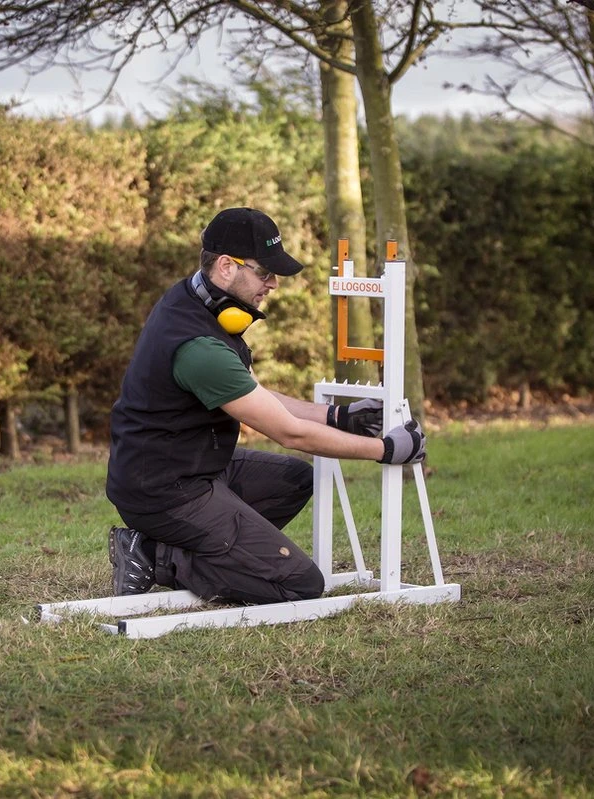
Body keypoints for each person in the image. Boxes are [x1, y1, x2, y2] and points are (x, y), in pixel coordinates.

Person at [105, 207, 426, 604]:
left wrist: (337, 416)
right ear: (226, 266)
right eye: (265, 273)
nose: (273, 284)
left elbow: (254, 394)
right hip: (167, 492)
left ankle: (203, 550)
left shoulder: (198, 304)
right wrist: (386, 449)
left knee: (294, 480)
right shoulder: (198, 347)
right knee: (299, 584)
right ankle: (154, 557)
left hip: (192, 469)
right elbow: (288, 432)